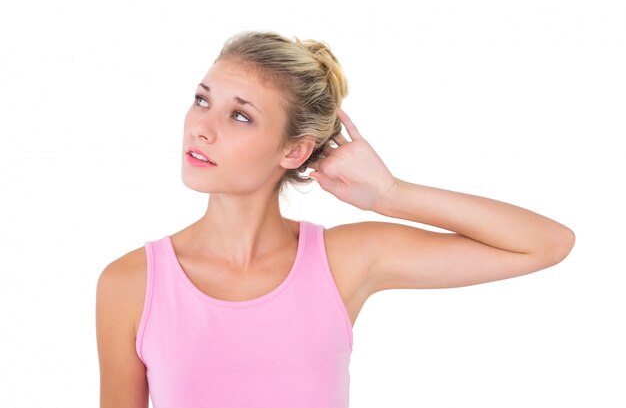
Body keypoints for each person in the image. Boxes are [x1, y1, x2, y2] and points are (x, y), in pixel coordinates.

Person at [95, 30, 575, 408]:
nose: (202, 126)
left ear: (294, 150)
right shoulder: (131, 283)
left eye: (240, 116)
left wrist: (392, 194)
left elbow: (547, 243)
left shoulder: (342, 261)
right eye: (203, 99)